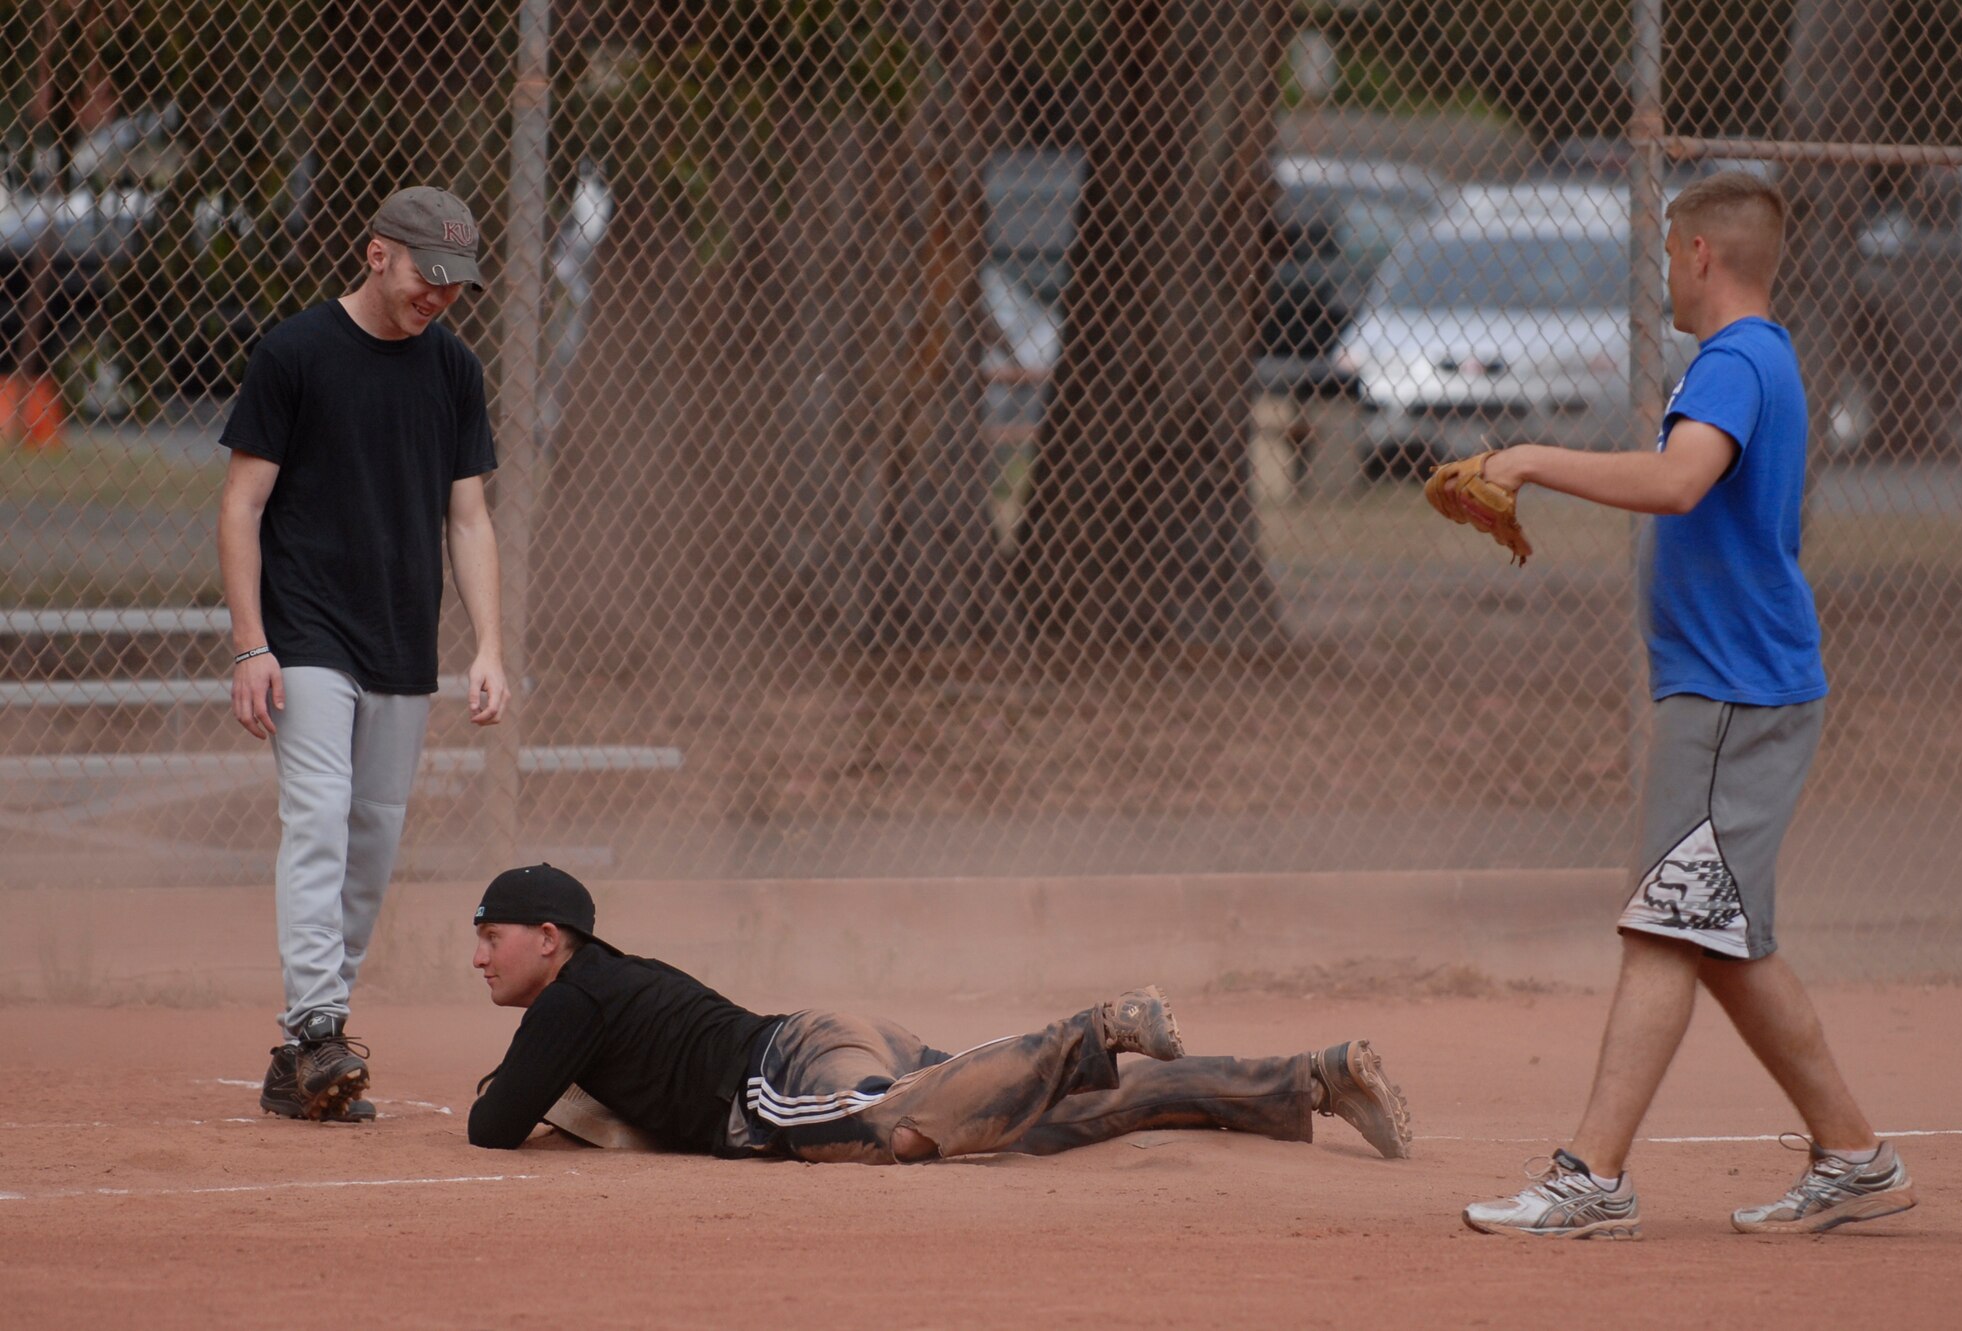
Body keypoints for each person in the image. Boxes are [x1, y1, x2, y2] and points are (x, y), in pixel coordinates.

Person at [1449, 172, 1916, 1238]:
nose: (1662, 266)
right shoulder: (1757, 358)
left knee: (1668, 926)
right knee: (1713, 934)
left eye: (1667, 249)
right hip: (1735, 687)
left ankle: (1592, 1177)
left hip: (1730, 694)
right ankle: (1853, 1155)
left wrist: (1525, 458)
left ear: (1702, 253)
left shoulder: (1735, 360)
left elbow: (1675, 482)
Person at [465, 864, 1415, 1165]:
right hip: (826, 1034)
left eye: (493, 936)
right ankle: (1309, 1077)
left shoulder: (572, 995)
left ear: (551, 937)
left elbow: (491, 1125)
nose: (479, 956)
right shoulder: (605, 985)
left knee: (900, 1130)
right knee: (1033, 1119)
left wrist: (535, 1095)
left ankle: (1090, 1029)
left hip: (781, 1074)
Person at [218, 186, 510, 1124]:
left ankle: (313, 1043)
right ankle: (314, 1029)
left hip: (399, 636)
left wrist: (489, 646)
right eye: (430, 275)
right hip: (304, 629)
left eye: (457, 283)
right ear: (378, 253)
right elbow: (242, 507)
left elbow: (468, 518)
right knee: (320, 813)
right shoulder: (296, 353)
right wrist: (251, 643)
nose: (441, 296)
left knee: (373, 838)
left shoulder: (454, 370)